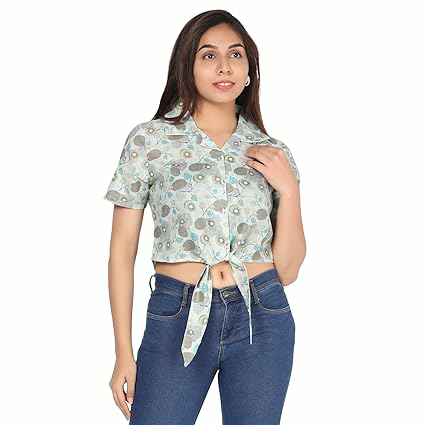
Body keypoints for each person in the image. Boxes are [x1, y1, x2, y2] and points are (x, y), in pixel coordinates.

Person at [104, 9, 306, 425]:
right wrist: (123, 352)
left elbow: (287, 271)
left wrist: (289, 190)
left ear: (249, 70)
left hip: (262, 316)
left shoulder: (273, 152)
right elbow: (122, 253)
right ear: (187, 66)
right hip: (176, 313)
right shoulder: (150, 140)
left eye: (235, 54)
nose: (224, 66)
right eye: (209, 55)